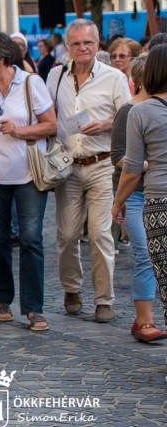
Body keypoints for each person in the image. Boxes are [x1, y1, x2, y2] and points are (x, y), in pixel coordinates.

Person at [0, 32, 57, 331]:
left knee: (30, 238)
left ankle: (33, 307)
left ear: (1, 56)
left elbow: (51, 125)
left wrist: (19, 131)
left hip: (29, 175)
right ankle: (3, 299)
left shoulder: (31, 83)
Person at [47, 19, 131, 323]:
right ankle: (71, 289)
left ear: (97, 44)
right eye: (76, 43)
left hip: (102, 164)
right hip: (67, 166)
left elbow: (129, 117)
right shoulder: (55, 76)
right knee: (67, 235)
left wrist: (107, 124)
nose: (83, 48)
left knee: (100, 234)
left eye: (88, 42)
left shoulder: (114, 77)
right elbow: (47, 115)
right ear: (67, 47)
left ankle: (104, 300)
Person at [111, 46, 167, 352]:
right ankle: (143, 321)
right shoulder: (133, 111)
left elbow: (131, 169)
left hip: (159, 202)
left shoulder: (142, 112)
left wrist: (117, 202)